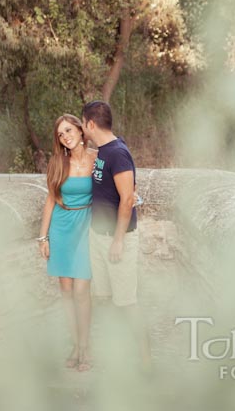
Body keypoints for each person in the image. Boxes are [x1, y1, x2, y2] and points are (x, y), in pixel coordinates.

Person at [80, 100, 150, 368]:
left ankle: (146, 365)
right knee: (105, 300)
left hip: (116, 240)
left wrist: (118, 240)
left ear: (90, 123)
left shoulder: (117, 153)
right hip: (98, 236)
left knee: (127, 304)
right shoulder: (103, 151)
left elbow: (127, 199)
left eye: (83, 123)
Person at [37, 114, 96, 372]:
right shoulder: (57, 162)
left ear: (81, 131)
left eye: (69, 130)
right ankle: (76, 345)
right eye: (61, 134)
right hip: (61, 229)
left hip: (86, 227)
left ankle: (86, 346)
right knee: (67, 292)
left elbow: (115, 187)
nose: (66, 136)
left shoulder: (97, 159)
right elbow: (51, 200)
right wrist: (43, 237)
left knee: (82, 291)